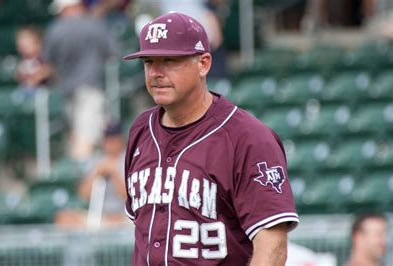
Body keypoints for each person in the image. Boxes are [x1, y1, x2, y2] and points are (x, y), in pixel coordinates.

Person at [122, 12, 299, 265]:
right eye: (149, 61)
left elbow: (272, 245)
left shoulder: (248, 138)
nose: (156, 73)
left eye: (169, 60)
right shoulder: (140, 129)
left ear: (204, 64)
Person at [34, 0, 119, 161]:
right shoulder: (95, 25)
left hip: (67, 91)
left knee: (85, 139)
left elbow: (46, 62)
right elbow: (113, 54)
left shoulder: (55, 29)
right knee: (86, 142)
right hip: (91, 89)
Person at [54, 121, 128, 229]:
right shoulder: (97, 159)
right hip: (100, 215)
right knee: (64, 218)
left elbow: (130, 197)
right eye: (107, 139)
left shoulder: (130, 158)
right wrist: (96, 173)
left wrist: (114, 174)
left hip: (124, 216)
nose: (109, 143)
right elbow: (83, 194)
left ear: (121, 140)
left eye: (113, 139)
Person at [14, 26, 46, 95]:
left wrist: (38, 75)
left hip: (43, 92)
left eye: (28, 45)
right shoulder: (22, 63)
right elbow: (18, 76)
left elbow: (48, 70)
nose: (24, 47)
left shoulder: (44, 59)